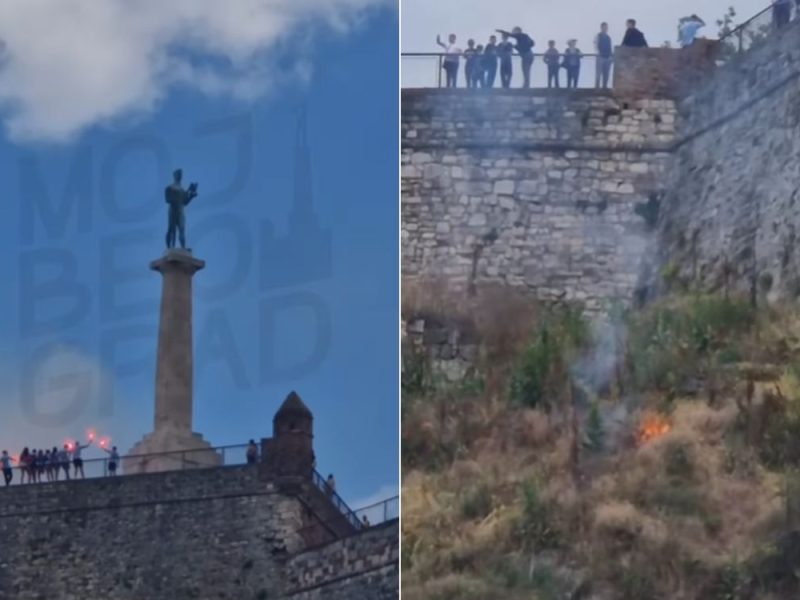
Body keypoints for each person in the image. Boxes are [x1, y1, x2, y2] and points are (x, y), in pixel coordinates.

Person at [595, 23, 613, 89]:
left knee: (606, 73)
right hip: (600, 57)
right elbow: (596, 45)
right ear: (601, 27)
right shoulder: (598, 36)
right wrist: (598, 53)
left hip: (607, 57)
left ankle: (604, 87)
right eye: (604, 27)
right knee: (598, 73)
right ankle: (597, 87)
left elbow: (610, 47)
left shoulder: (608, 37)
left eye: (606, 27)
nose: (605, 29)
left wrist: (611, 56)